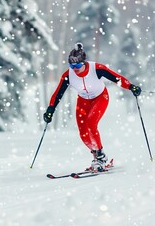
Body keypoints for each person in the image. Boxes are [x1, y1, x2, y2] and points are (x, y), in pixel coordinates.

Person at [43, 43, 141, 172]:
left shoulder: (97, 68)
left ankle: (101, 157)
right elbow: (57, 94)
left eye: (78, 65)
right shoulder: (68, 75)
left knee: (91, 123)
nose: (75, 68)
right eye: (72, 65)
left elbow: (116, 78)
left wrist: (130, 86)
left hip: (100, 98)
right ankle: (97, 156)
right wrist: (50, 109)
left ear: (84, 63)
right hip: (83, 101)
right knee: (83, 133)